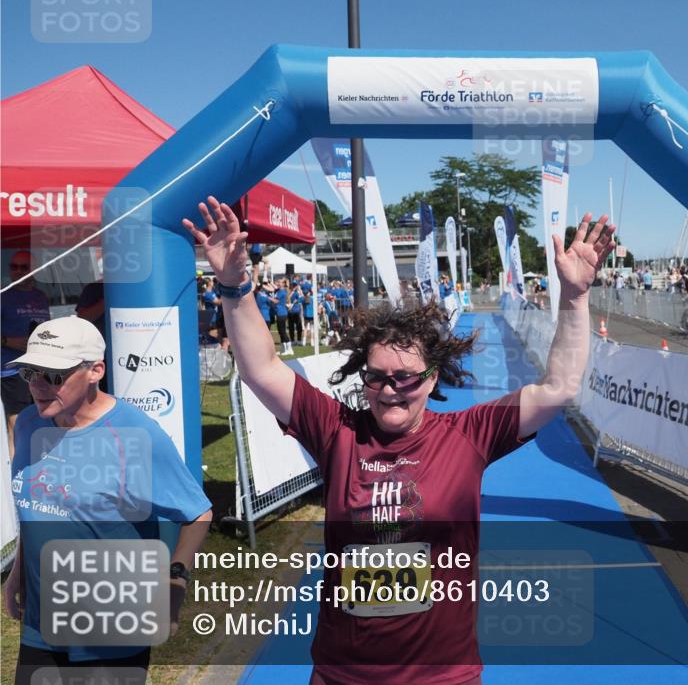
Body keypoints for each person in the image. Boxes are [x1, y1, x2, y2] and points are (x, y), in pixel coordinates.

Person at [182, 196, 615, 685]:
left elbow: (557, 387)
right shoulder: (337, 430)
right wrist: (234, 286)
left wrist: (574, 297)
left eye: (406, 377)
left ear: (432, 379)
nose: (390, 390)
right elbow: (261, 368)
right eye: (378, 377)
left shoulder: (468, 435)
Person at [4, 316, 213, 685]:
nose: (37, 385)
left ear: (95, 370)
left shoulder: (135, 436)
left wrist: (175, 579)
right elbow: (39, 507)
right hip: (42, 622)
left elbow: (198, 514)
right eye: (29, 373)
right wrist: (19, 570)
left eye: (52, 375)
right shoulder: (28, 425)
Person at [2, 251, 51, 447]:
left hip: (40, 367)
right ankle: (17, 471)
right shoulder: (3, 296)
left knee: (42, 416)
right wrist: (7, 341)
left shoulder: (41, 296)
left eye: (24, 267)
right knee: (18, 422)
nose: (18, 271)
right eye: (14, 267)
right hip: (12, 369)